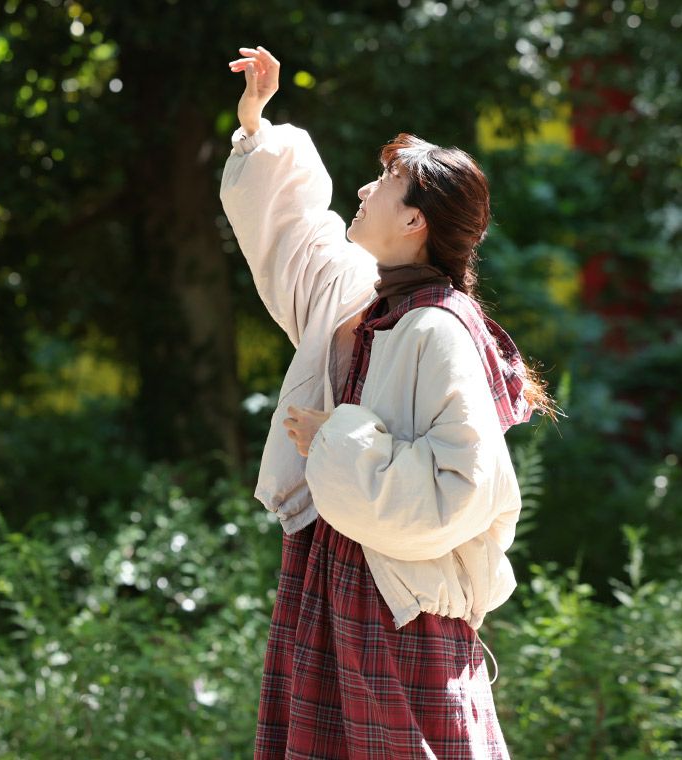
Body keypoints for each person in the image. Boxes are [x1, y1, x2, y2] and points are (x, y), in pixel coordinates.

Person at [221, 45, 553, 760]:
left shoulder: (441, 329)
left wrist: (335, 438)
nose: (365, 190)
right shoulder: (360, 297)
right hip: (332, 580)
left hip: (401, 607)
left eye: (385, 182)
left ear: (414, 223)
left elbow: (460, 491)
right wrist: (256, 128)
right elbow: (292, 241)